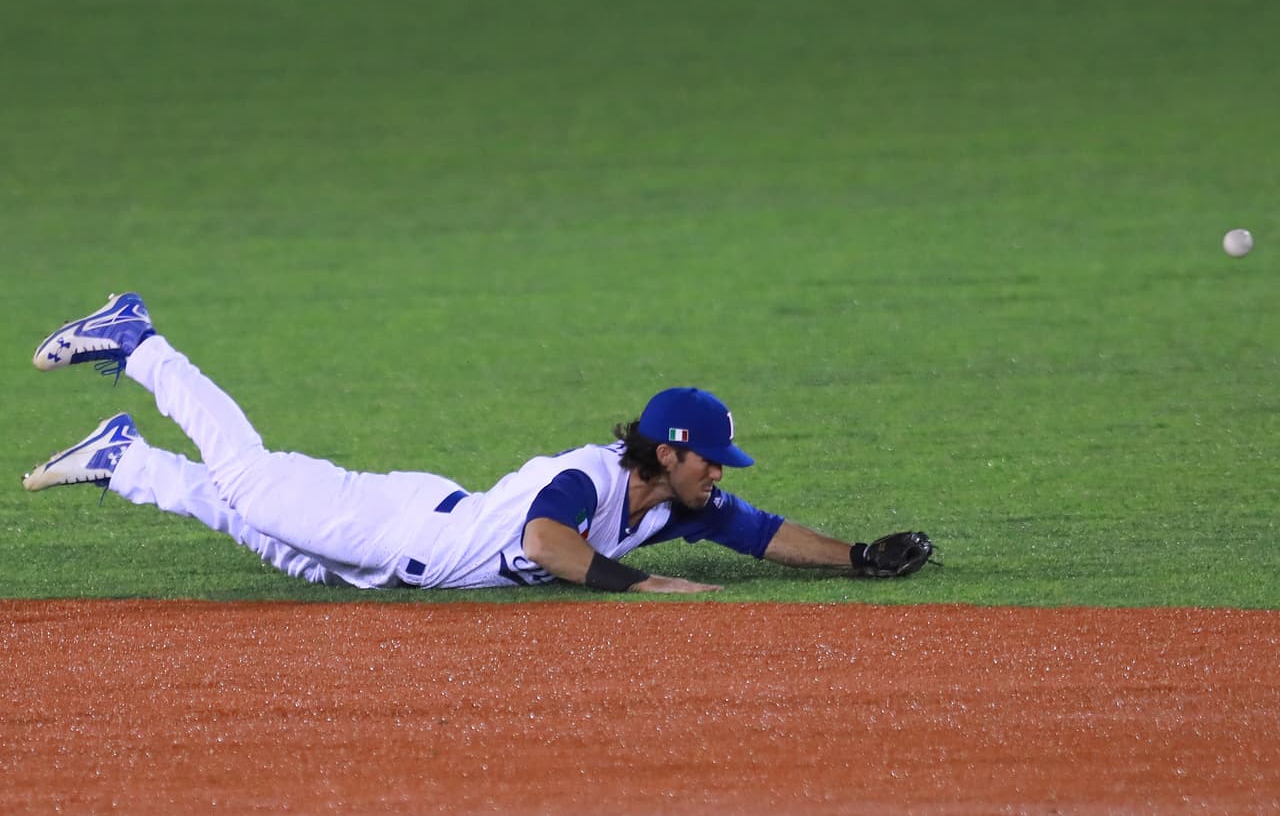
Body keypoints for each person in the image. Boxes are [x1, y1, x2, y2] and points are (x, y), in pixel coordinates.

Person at [23, 293, 934, 593]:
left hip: (415, 534)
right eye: (710, 460)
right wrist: (644, 585)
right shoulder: (586, 479)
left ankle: (127, 460)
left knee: (277, 545)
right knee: (253, 487)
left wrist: (856, 557)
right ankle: (142, 342)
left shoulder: (675, 506)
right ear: (667, 450)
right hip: (397, 526)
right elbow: (545, 542)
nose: (719, 477)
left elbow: (763, 532)